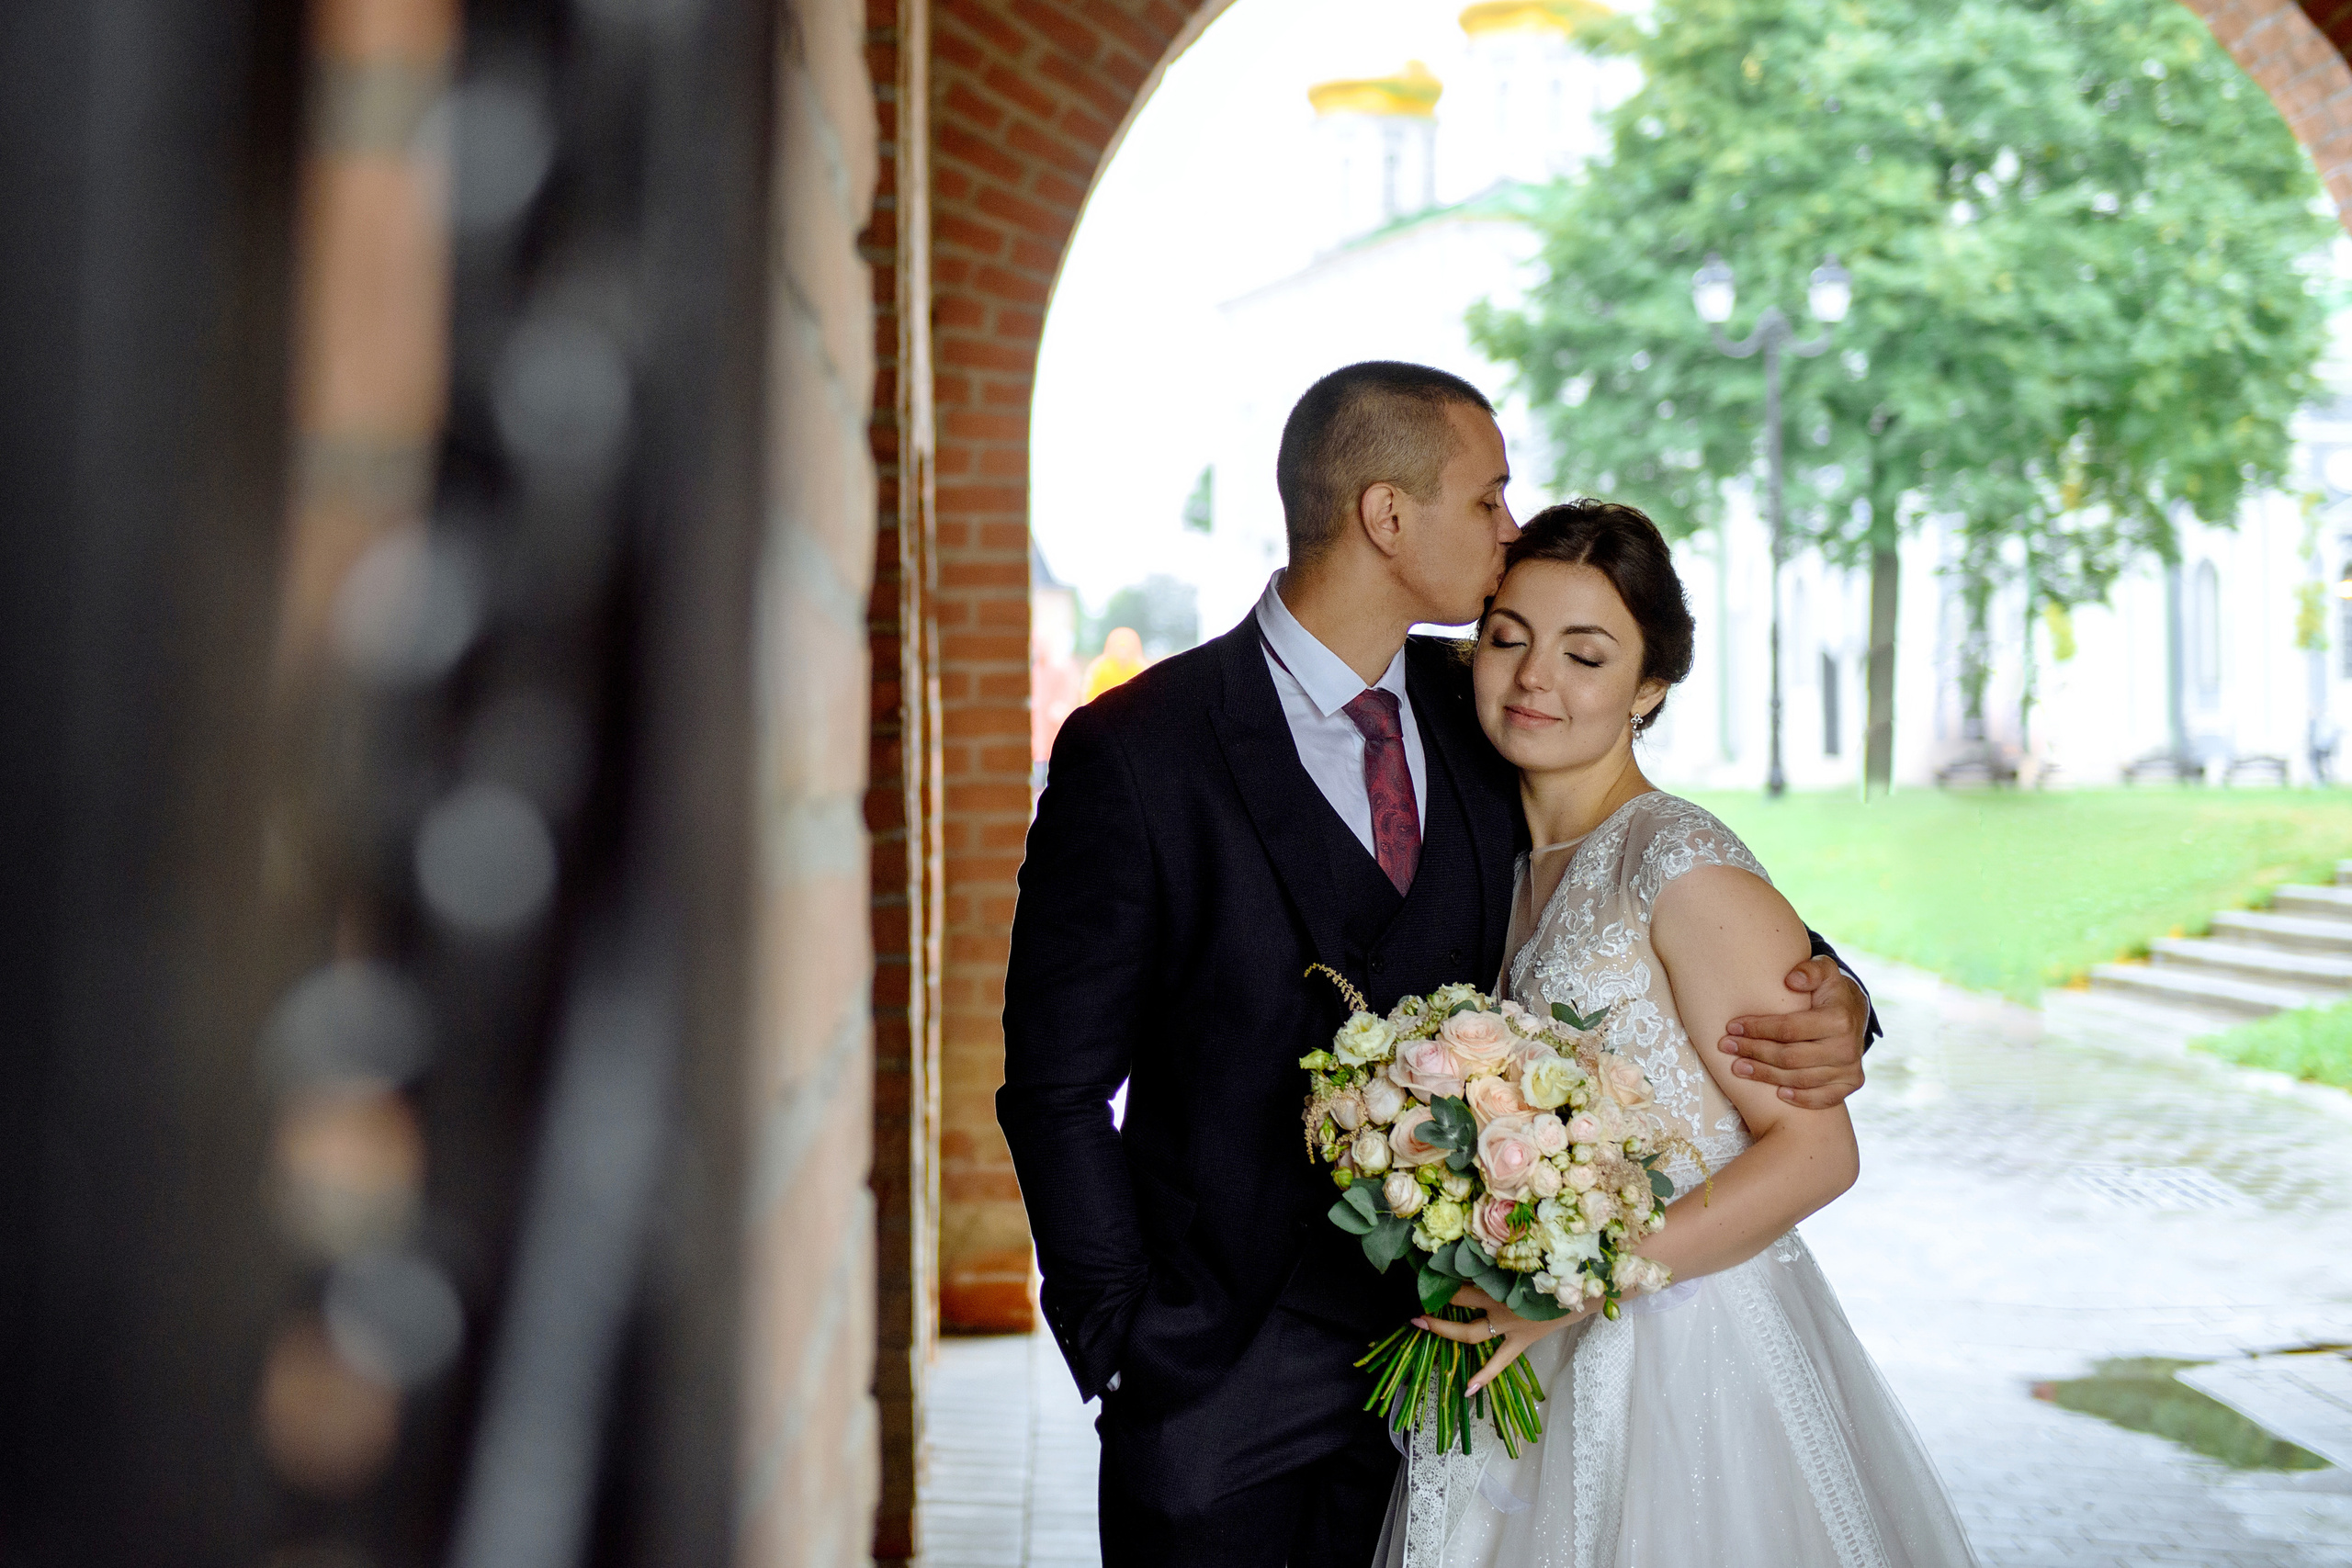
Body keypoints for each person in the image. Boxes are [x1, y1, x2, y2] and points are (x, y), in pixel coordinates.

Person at [999, 362, 1875, 1568]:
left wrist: (1837, 987)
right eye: (1490, 497)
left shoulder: (1479, 706)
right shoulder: (1138, 751)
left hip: (1470, 1395)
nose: (1510, 530)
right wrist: (1126, 1343)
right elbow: (1053, 1085)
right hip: (1222, 1388)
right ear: (1387, 515)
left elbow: (1644, 867)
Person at [1374, 501, 1974, 1568]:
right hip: (1531, 1348)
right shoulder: (1512, 862)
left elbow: (1817, 1150)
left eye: (1585, 654)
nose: (1532, 680)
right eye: (1506, 638)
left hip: (1690, 1361)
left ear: (1649, 687)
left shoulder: (1678, 860)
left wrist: (1579, 1281)